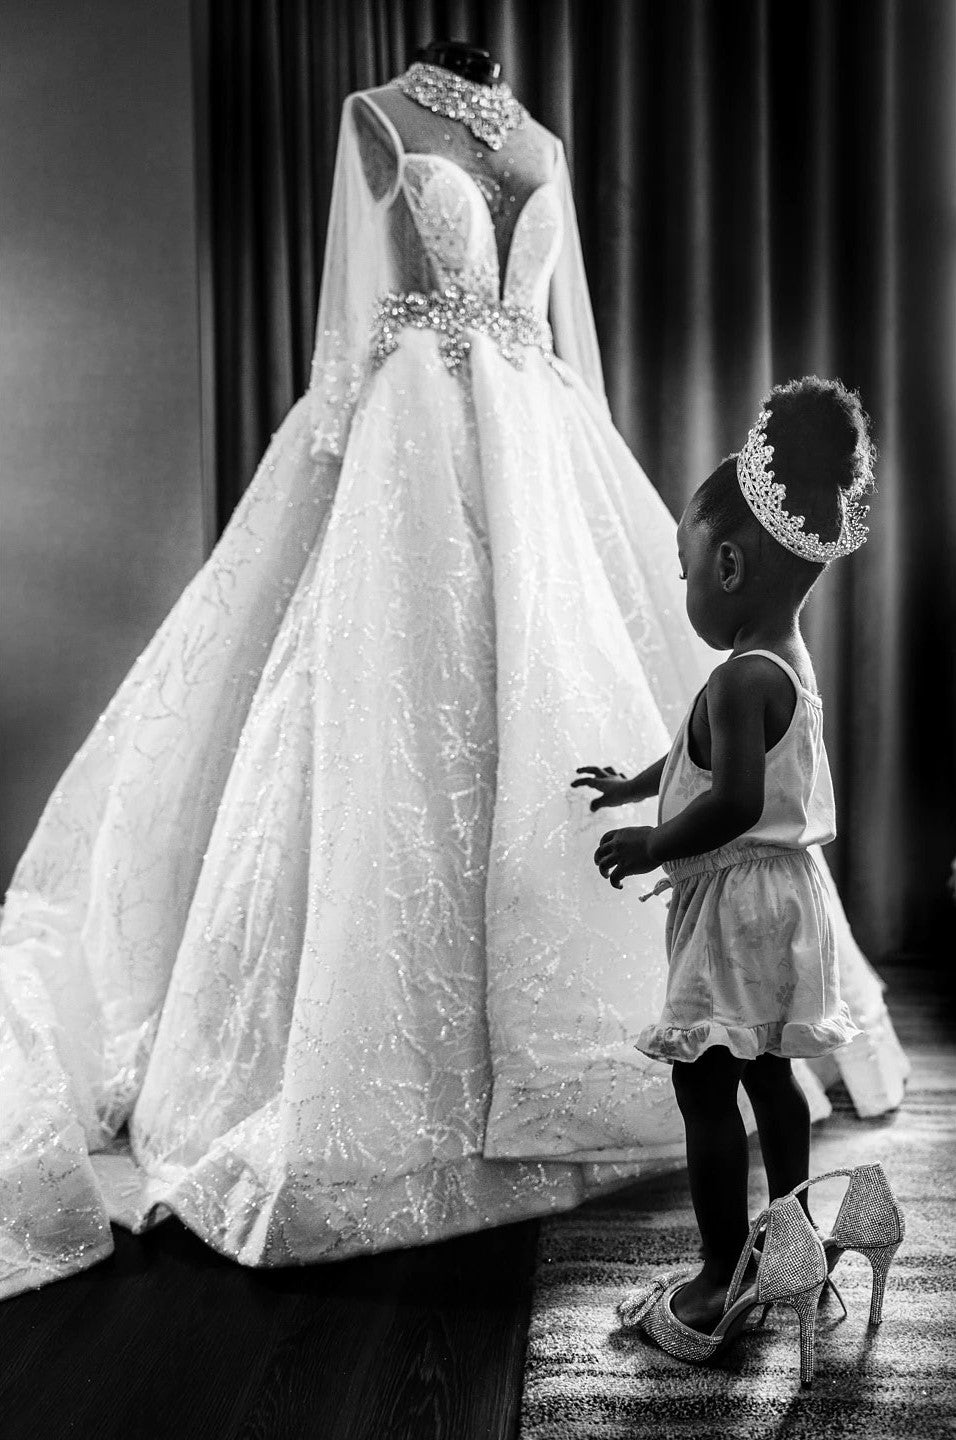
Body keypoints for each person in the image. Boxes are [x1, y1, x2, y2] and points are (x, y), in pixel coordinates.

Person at [0, 57, 906, 1302]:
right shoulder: (374, 116)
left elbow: (560, 326)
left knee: (563, 680)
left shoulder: (544, 143)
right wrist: (330, 443)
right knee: (402, 738)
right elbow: (345, 319)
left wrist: (653, 828)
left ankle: (714, 1198)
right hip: (414, 432)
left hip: (537, 432)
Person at [576, 378, 904, 1363]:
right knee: (769, 1075)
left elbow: (723, 801)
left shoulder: (735, 677)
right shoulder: (783, 665)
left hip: (732, 903)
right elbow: (703, 760)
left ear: (725, 560)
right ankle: (797, 1248)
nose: (684, 584)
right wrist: (638, 784)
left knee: (704, 1088)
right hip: (785, 900)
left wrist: (648, 842)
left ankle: (721, 1274)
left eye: (683, 566)